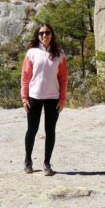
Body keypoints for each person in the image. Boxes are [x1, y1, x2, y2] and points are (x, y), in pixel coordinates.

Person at [20, 23, 68, 176]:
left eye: (47, 33)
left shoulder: (59, 54)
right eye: (41, 34)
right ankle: (28, 160)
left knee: (50, 131)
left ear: (52, 34)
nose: (44, 36)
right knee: (32, 130)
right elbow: (25, 77)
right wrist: (24, 98)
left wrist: (62, 100)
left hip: (53, 98)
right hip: (34, 97)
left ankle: (47, 163)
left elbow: (63, 78)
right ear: (37, 36)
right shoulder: (32, 53)